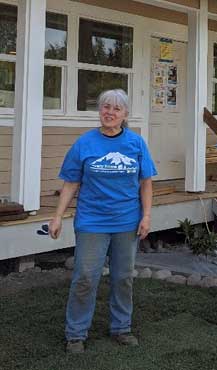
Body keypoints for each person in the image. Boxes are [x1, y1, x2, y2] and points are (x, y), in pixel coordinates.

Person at [48, 89, 157, 353]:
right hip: (91, 222)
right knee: (85, 277)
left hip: (126, 222)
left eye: (116, 109)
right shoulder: (85, 143)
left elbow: (146, 183)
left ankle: (121, 328)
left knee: (123, 278)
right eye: (105, 107)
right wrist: (57, 216)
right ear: (100, 111)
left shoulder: (137, 143)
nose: (109, 113)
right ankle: (75, 333)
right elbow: (71, 182)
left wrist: (146, 216)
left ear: (125, 115)